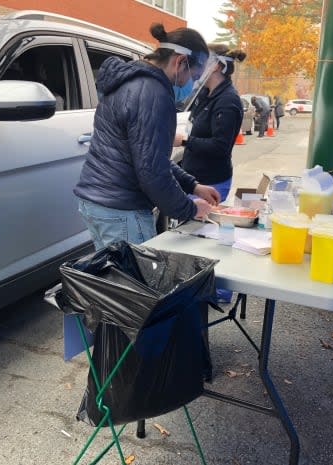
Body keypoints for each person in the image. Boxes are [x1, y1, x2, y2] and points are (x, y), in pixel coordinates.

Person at [74, 23, 220, 251]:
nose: (190, 85)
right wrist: (191, 209)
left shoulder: (129, 81)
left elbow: (148, 156)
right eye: (193, 76)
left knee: (114, 279)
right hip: (122, 209)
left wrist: (193, 186)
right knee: (136, 284)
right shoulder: (154, 95)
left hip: (96, 203)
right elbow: (152, 172)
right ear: (180, 61)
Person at [175, 44, 246, 304]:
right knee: (197, 238)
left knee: (211, 240)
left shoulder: (228, 101)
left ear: (216, 66)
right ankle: (202, 287)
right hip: (195, 176)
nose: (196, 68)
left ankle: (220, 290)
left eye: (202, 62)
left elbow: (220, 147)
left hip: (212, 180)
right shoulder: (207, 95)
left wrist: (184, 142)